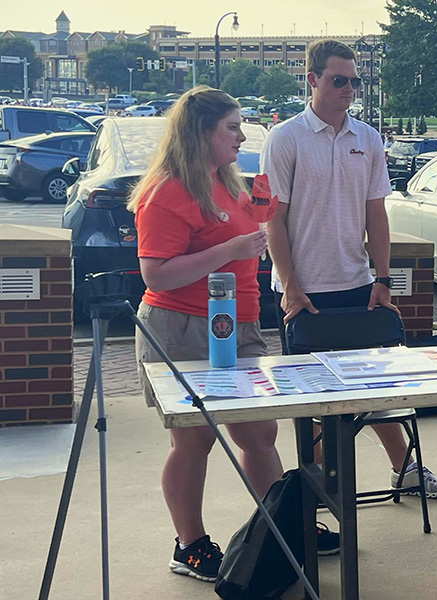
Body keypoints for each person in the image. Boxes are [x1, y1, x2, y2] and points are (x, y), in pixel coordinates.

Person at [262, 39, 437, 544]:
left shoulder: (368, 139)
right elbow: (273, 220)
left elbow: (377, 213)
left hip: (358, 285)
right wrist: (289, 287)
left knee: (376, 389)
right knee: (320, 408)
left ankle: (406, 470)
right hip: (305, 293)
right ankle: (312, 503)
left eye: (355, 81)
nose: (349, 90)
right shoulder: (284, 139)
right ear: (312, 80)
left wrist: (383, 277)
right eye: (338, 80)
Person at [128, 86, 288, 582]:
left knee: (259, 432)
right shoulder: (168, 191)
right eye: (232, 127)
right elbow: (157, 274)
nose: (242, 136)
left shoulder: (228, 182)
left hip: (238, 324)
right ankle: (190, 544)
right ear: (202, 132)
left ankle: (282, 528)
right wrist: (232, 247)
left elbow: (242, 235)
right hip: (181, 326)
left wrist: (260, 217)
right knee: (195, 440)